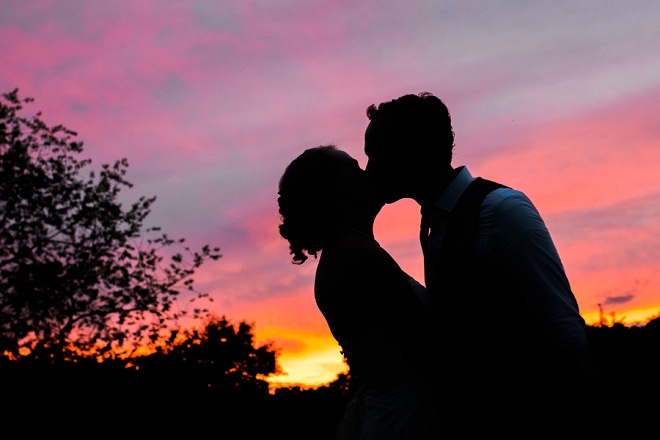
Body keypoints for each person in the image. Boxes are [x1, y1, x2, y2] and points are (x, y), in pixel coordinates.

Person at [363, 93, 594, 438]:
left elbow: (564, 329)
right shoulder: (432, 226)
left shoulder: (502, 209)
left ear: (417, 149)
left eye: (378, 155)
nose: (370, 170)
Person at [278, 145, 443, 439]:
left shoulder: (348, 251)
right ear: (337, 193)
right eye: (355, 169)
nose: (368, 174)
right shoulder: (356, 257)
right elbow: (431, 348)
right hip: (406, 422)